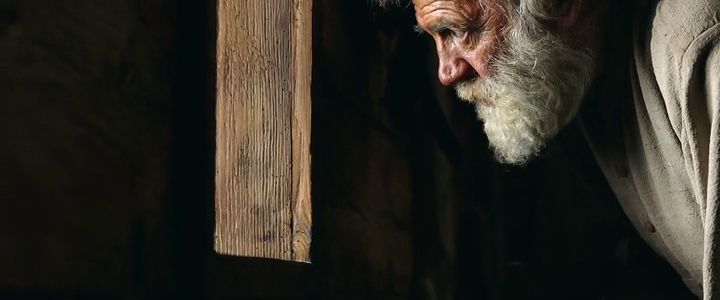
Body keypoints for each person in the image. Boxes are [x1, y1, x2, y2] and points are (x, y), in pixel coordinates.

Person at [379, 0, 720, 298]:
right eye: (434, 38)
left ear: (560, 4)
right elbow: (570, 266)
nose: (446, 72)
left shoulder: (700, 54)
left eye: (458, 31)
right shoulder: (572, 78)